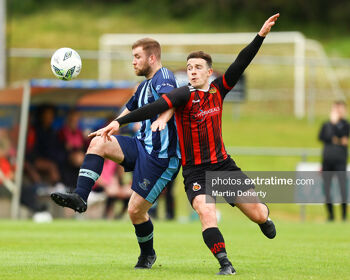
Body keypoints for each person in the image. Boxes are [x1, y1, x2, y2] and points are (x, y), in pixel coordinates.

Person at [94, 14, 280, 275]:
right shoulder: (182, 95)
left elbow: (241, 61)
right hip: (196, 172)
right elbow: (154, 107)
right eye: (189, 67)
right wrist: (119, 122)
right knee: (206, 212)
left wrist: (260, 35)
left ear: (209, 72)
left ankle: (264, 218)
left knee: (258, 214)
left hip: (223, 167)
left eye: (197, 67)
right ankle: (225, 263)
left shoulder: (219, 89)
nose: (192, 71)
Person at [51, 38, 181, 269]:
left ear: (152, 58)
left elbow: (170, 101)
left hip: (161, 158)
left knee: (135, 211)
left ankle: (147, 255)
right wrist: (113, 125)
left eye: (137, 57)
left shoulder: (165, 77)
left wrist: (162, 119)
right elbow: (129, 108)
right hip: (141, 146)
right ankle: (81, 197)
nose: (133, 62)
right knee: (100, 142)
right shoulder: (142, 87)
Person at [319, 100, 349, 221]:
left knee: (343, 188)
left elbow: (344, 139)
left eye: (339, 109)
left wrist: (335, 127)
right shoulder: (326, 124)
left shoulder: (346, 124)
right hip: (327, 161)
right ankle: (330, 216)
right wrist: (336, 137)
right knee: (326, 189)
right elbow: (323, 137)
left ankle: (343, 216)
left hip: (340, 161)